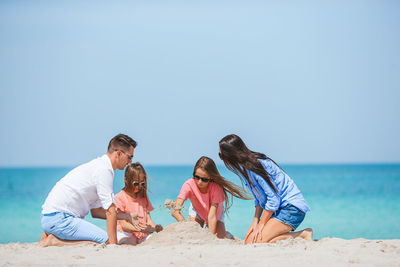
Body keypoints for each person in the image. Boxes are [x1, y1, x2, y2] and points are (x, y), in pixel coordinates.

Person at [39, 134, 140, 247]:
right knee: (107, 242)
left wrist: (127, 216)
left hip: (50, 218)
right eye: (130, 157)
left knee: (108, 240)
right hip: (60, 219)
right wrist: (113, 245)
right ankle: (55, 241)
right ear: (119, 154)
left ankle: (52, 235)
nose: (130, 162)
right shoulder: (104, 170)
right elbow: (110, 211)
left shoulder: (98, 166)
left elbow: (96, 212)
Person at [218, 134, 313, 244]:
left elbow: (274, 199)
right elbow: (259, 198)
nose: (221, 158)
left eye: (221, 155)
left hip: (291, 208)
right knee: (249, 241)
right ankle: (294, 236)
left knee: (254, 241)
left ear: (230, 154)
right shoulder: (245, 168)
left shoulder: (255, 166)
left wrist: (261, 224)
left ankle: (302, 234)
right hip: (279, 209)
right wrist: (255, 221)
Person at [171, 156, 250, 238]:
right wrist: (185, 223)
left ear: (211, 177)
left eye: (204, 179)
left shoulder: (216, 188)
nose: (199, 182)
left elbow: (212, 216)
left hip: (216, 213)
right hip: (197, 210)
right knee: (195, 234)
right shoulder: (188, 185)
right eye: (197, 177)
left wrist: (211, 237)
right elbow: (175, 211)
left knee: (219, 237)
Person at [115, 162, 163, 245]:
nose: (139, 186)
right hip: (127, 234)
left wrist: (155, 228)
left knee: (156, 242)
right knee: (125, 243)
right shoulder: (119, 197)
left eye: (142, 183)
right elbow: (123, 224)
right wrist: (139, 229)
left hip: (143, 235)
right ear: (126, 179)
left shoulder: (143, 196)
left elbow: (148, 219)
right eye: (136, 183)